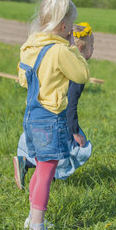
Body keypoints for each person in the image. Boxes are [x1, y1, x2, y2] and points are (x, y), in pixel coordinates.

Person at [17, 0, 89, 230]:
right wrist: (74, 50)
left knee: (40, 166)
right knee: (47, 171)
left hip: (31, 115)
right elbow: (81, 75)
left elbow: (23, 81)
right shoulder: (59, 51)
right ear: (65, 26)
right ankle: (37, 229)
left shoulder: (29, 46)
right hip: (50, 118)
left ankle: (31, 217)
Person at [13, 22, 95, 189]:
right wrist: (75, 131)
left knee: (44, 147)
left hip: (39, 111)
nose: (93, 50)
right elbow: (71, 105)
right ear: (79, 48)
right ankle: (31, 166)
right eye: (92, 46)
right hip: (58, 118)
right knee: (72, 150)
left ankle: (27, 161)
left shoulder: (55, 57)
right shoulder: (76, 71)